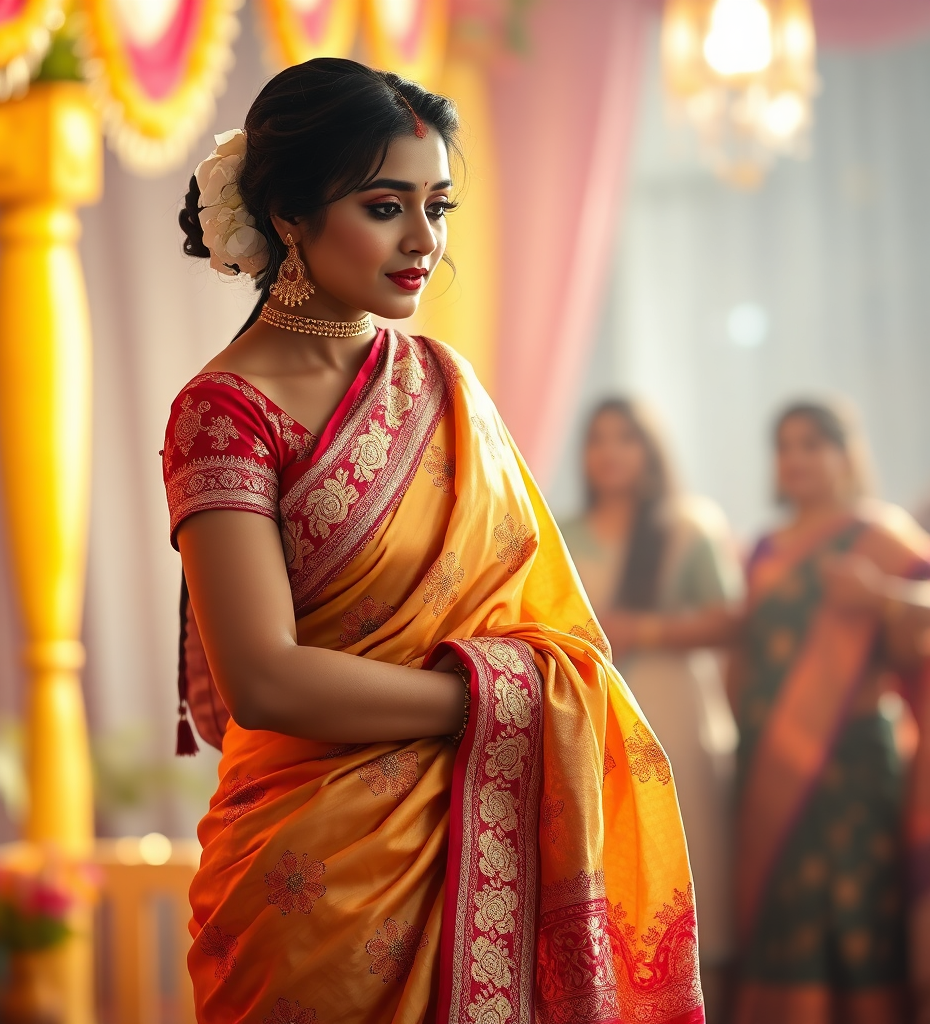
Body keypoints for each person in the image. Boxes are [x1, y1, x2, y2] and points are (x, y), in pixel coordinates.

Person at [162, 59, 704, 1022]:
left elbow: (548, 618)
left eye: (438, 205)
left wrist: (522, 696)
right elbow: (264, 679)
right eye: (385, 207)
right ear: (289, 215)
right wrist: (497, 701)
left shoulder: (443, 384)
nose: (424, 240)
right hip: (314, 883)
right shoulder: (224, 413)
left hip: (478, 835)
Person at [732, 400, 930, 1024]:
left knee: (857, 912)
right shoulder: (764, 548)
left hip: (854, 765)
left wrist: (883, 596)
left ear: (847, 454)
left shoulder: (880, 534)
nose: (796, 460)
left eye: (813, 445)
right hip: (768, 763)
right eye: (785, 447)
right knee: (784, 911)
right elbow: (745, 649)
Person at [560, 398, 743, 1022]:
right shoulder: (565, 531)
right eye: (598, 439)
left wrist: (644, 630)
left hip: (677, 713)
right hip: (597, 717)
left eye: (626, 439)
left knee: (689, 855)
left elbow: (728, 619)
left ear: (650, 450)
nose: (610, 452)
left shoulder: (688, 527)